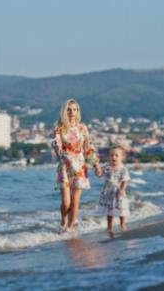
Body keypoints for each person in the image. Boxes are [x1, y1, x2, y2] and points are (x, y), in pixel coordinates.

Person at [51, 99, 101, 234]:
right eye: (69, 109)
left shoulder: (82, 128)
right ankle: (63, 220)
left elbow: (88, 147)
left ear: (78, 111)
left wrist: (96, 164)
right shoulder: (59, 128)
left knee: (75, 201)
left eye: (74, 109)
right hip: (65, 167)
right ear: (64, 111)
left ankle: (70, 229)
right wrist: (57, 148)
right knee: (66, 202)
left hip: (79, 167)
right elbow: (56, 144)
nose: (72, 112)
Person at [98, 146, 131, 235]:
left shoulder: (123, 168)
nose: (113, 157)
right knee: (109, 210)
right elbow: (99, 174)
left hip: (119, 191)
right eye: (111, 155)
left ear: (122, 157)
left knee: (121, 209)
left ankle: (122, 224)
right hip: (108, 192)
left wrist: (122, 190)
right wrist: (96, 167)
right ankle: (109, 226)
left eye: (116, 155)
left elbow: (125, 180)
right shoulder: (106, 167)